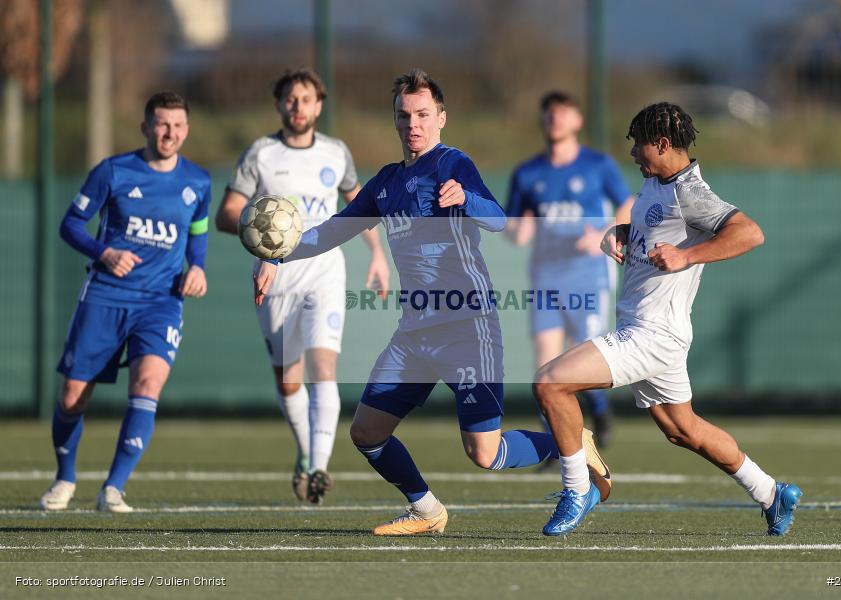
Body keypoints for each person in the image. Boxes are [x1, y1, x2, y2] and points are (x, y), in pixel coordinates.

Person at [254, 68, 610, 535]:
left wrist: (467, 199)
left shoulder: (452, 164)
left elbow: (499, 222)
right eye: (405, 115)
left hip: (468, 327)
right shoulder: (385, 183)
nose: (414, 123)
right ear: (395, 121)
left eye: (423, 114)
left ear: (440, 118)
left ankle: (573, 444)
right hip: (415, 334)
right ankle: (426, 509)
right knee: (366, 433)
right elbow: (334, 230)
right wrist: (279, 252)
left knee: (485, 454)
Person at [533, 102, 802, 536]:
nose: (633, 153)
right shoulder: (657, 183)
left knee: (550, 383)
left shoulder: (690, 193)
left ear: (661, 144)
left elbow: (750, 232)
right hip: (651, 330)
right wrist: (623, 235)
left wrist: (687, 256)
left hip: (652, 335)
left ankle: (578, 488)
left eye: (638, 145)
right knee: (683, 429)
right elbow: (657, 232)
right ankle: (772, 492)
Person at [215, 68, 390, 505]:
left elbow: (359, 204)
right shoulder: (261, 153)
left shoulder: (335, 153)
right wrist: (260, 242)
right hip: (275, 276)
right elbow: (227, 212)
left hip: (325, 270)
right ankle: (305, 452)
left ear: (319, 105)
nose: (299, 107)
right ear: (279, 105)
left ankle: (318, 467)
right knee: (289, 381)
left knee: (324, 368)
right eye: (290, 99)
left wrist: (378, 255)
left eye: (307, 99)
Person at [39, 91, 211, 513]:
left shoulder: (199, 182)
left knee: (148, 385)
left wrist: (198, 267)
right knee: (71, 397)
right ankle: (65, 477)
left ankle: (113, 488)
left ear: (186, 130)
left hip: (161, 302)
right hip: (105, 295)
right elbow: (70, 224)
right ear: (145, 127)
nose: (169, 133)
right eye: (161, 123)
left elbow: (198, 234)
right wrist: (105, 253)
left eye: (177, 125)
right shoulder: (113, 171)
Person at [506, 91, 633, 449]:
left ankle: (600, 411)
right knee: (546, 364)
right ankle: (553, 443)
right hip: (546, 277)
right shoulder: (528, 173)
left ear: (577, 121)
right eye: (549, 114)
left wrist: (603, 232)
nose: (554, 120)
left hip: (587, 275)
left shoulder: (597, 165)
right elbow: (516, 229)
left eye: (562, 114)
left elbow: (628, 202)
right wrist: (520, 228)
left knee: (583, 356)